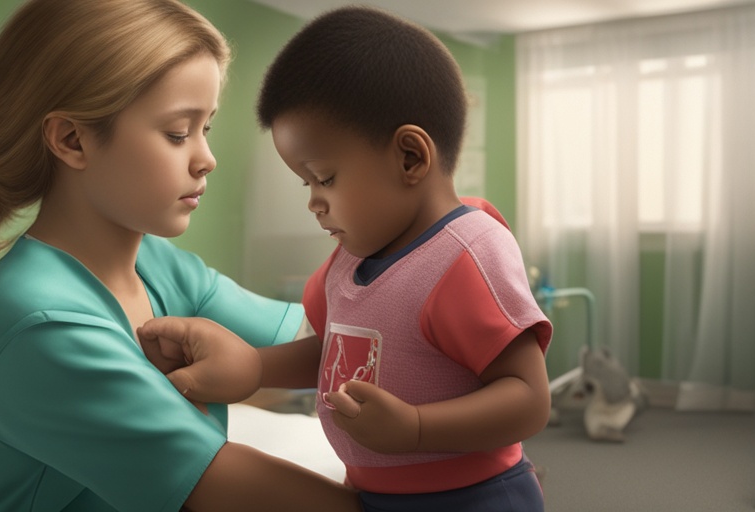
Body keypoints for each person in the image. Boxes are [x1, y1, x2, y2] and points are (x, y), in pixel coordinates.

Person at [0, 0, 361, 510]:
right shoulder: (40, 324)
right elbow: (218, 483)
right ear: (71, 140)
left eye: (206, 128)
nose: (207, 159)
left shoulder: (159, 265)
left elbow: (335, 342)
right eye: (178, 132)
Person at [154, 6, 553, 511]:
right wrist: (253, 367)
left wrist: (416, 428)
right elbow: (337, 355)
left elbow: (528, 396)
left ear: (410, 157)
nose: (313, 202)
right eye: (307, 183)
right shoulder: (351, 257)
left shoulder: (465, 256)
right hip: (372, 493)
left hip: (472, 500)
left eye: (325, 178)